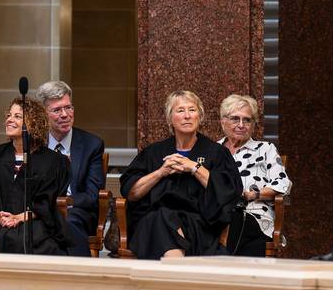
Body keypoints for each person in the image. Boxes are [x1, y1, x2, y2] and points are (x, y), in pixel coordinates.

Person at [120, 90, 242, 259]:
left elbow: (228, 190)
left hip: (198, 226)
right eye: (180, 110)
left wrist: (194, 167)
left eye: (192, 110)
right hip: (152, 223)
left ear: (200, 116)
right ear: (170, 119)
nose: (187, 116)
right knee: (161, 217)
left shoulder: (216, 152)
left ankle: (172, 268)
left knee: (161, 220)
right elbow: (132, 193)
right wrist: (161, 172)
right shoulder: (154, 152)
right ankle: (176, 267)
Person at [0, 97, 71, 255]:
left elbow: (46, 203)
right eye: (9, 115)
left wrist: (17, 218)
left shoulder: (54, 162)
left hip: (32, 222)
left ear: (33, 123)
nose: (9, 120)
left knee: (19, 240)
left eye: (17, 116)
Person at [36, 80, 106, 257]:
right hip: (40, 210)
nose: (65, 114)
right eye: (57, 110)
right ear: (44, 114)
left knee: (66, 221)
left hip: (77, 211)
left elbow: (92, 196)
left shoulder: (92, 144)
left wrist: (64, 203)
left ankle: (81, 277)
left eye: (68, 107)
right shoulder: (34, 145)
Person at [217, 94, 291, 256]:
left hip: (253, 215)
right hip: (216, 215)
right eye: (235, 119)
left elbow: (282, 183)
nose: (241, 125)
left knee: (233, 219)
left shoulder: (265, 149)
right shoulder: (213, 150)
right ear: (223, 121)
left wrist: (251, 195)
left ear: (253, 124)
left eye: (247, 120)